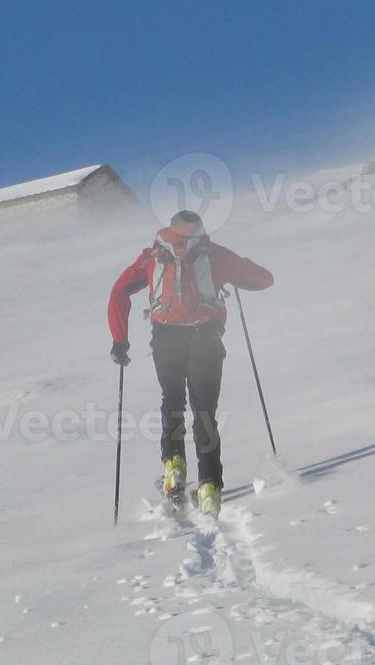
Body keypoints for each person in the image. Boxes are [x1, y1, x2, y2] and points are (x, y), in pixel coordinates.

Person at [107, 210, 274, 516]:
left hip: (166, 339)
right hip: (206, 339)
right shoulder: (215, 255)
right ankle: (210, 487)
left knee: (171, 401)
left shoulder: (153, 256)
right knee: (205, 412)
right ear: (199, 229)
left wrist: (120, 340)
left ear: (169, 230)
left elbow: (119, 291)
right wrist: (239, 279)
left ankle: (174, 470)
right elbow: (265, 279)